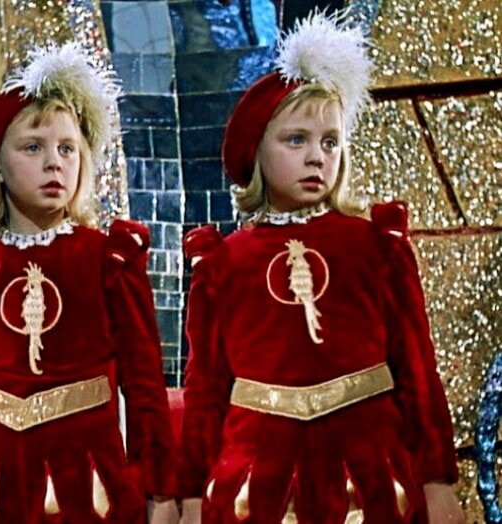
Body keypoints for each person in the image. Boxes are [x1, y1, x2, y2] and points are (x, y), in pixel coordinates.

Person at [178, 12, 464, 524]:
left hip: (371, 481)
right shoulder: (224, 261)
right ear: (256, 151)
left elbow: (417, 370)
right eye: (297, 140)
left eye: (330, 142)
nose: (317, 157)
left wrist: (438, 481)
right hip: (257, 489)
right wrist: (192, 496)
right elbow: (206, 391)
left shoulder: (375, 244)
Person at [0, 43, 178, 523]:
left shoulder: (109, 259)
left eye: (67, 148)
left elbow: (144, 388)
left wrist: (161, 493)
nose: (55, 162)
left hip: (82, 492)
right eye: (33, 147)